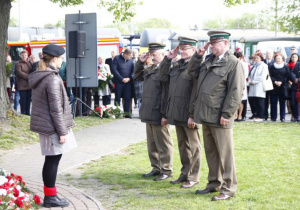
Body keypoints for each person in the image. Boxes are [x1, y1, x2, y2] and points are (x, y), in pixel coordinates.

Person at [187, 30, 244, 201]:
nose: (212, 47)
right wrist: (197, 56)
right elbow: (191, 73)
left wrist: (227, 113)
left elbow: (235, 91)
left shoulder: (233, 63)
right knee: (211, 152)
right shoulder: (208, 60)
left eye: (216, 43)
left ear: (226, 44)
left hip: (220, 115)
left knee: (225, 154)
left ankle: (228, 188)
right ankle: (214, 183)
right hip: (206, 114)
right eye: (211, 44)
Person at [28, 44, 77, 208]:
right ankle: (50, 198)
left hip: (47, 125)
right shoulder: (52, 79)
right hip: (53, 127)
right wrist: (62, 132)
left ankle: (51, 195)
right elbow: (56, 109)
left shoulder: (42, 75)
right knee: (52, 161)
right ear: (55, 58)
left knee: (51, 160)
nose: (62, 61)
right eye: (61, 58)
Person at [159, 36, 201, 188]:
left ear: (194, 49)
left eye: (185, 49)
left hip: (189, 113)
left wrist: (193, 115)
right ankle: (184, 173)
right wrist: (167, 60)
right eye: (180, 49)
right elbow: (162, 77)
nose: (182, 51)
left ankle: (194, 176)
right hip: (177, 112)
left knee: (194, 147)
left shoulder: (196, 66)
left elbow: (196, 92)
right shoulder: (177, 65)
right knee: (183, 146)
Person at [135, 43, 173, 181]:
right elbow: (138, 76)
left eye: (155, 54)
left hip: (159, 111)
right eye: (151, 54)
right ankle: (156, 167)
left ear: (163, 55)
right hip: (149, 110)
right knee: (152, 143)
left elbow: (167, 94)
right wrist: (140, 62)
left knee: (163, 143)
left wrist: (165, 114)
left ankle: (166, 169)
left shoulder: (166, 69)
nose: (152, 56)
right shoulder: (151, 68)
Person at [111, 49, 134, 118]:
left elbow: (133, 70)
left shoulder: (131, 60)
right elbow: (114, 70)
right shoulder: (117, 58)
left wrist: (129, 78)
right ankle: (117, 113)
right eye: (129, 56)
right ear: (125, 54)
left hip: (128, 82)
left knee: (127, 98)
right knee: (117, 98)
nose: (130, 57)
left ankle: (126, 113)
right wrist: (121, 79)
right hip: (119, 82)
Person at [270, 52, 291, 122]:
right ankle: (273, 117)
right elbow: (270, 75)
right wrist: (275, 82)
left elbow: (287, 75)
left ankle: (282, 117)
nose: (278, 60)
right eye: (276, 58)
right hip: (274, 86)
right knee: (273, 102)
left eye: (279, 58)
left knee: (282, 103)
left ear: (282, 59)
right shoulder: (272, 66)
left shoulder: (285, 66)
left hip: (283, 86)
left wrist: (281, 82)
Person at [248, 52, 268, 122]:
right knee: (254, 101)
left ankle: (261, 116)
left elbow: (262, 76)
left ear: (261, 58)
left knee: (260, 101)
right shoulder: (254, 66)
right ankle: (256, 114)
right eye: (255, 58)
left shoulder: (264, 66)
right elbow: (250, 75)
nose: (256, 59)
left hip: (259, 86)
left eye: (257, 58)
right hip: (252, 86)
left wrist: (254, 81)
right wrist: (250, 81)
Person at [15, 50, 32, 115]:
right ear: (20, 56)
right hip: (22, 85)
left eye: (25, 55)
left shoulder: (29, 62)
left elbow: (32, 70)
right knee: (23, 100)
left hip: (29, 85)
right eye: (22, 55)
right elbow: (19, 73)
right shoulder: (18, 63)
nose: (24, 56)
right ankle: (23, 112)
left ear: (27, 55)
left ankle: (28, 112)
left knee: (28, 100)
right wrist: (28, 76)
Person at [234, 51, 248, 121]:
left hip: (242, 82)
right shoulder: (233, 63)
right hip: (235, 82)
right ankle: (236, 115)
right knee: (236, 100)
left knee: (241, 100)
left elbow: (246, 75)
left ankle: (240, 115)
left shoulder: (244, 64)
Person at [264, 49, 275, 120]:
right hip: (265, 84)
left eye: (270, 54)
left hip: (273, 84)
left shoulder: (275, 62)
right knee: (265, 100)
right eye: (267, 54)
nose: (268, 55)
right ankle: (265, 115)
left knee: (273, 100)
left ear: (272, 55)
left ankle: (273, 115)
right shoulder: (263, 62)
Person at [291, 54, 300, 122]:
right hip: (295, 87)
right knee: (294, 102)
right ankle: (296, 117)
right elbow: (292, 73)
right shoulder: (297, 64)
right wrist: (295, 79)